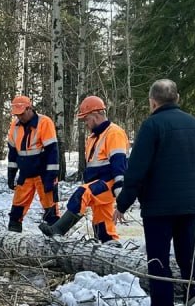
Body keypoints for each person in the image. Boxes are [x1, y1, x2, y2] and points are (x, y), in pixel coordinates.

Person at [114, 78, 195, 306]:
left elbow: (136, 170)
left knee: (158, 262)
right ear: (177, 98)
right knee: (189, 259)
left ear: (153, 101)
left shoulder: (151, 126)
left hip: (158, 209)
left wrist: (122, 204)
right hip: (188, 206)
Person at [39, 95, 130, 242]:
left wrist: (120, 186)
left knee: (82, 193)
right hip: (98, 183)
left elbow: (119, 161)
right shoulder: (93, 137)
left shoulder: (114, 132)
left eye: (86, 119)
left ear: (96, 115)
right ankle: (109, 246)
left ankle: (58, 229)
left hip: (108, 182)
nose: (85, 123)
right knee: (102, 224)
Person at [5, 94, 60, 232]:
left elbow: (52, 152)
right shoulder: (15, 126)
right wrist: (11, 174)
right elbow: (12, 153)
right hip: (25, 173)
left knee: (50, 209)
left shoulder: (44, 122)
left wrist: (51, 176)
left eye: (22, 114)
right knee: (16, 209)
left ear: (30, 109)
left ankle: (56, 239)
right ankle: (13, 237)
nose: (20, 117)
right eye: (17, 115)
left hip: (43, 173)